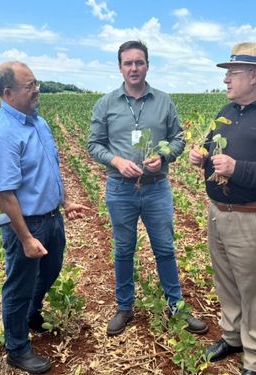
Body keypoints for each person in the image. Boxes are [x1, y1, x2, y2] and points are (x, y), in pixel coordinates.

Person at [189, 42, 256, 375]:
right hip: (217, 211)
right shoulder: (226, 113)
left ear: (255, 75)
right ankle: (233, 337)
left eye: (232, 74)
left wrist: (239, 169)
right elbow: (212, 149)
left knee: (252, 289)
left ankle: (254, 358)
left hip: (251, 215)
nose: (226, 81)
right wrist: (202, 157)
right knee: (225, 280)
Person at [87, 40, 208, 337]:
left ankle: (176, 305)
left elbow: (178, 138)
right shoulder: (106, 104)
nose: (133, 68)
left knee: (165, 248)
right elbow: (93, 144)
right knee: (124, 249)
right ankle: (125, 307)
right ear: (120, 67)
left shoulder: (164, 102)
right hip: (120, 187)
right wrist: (115, 160)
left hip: (156, 188)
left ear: (147, 65)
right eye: (128, 63)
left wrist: (164, 156)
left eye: (139, 62)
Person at [0, 61, 87, 374]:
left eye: (37, 83)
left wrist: (66, 203)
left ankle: (31, 313)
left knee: (51, 269)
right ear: (9, 92)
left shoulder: (37, 121)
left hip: (52, 217)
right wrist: (25, 237)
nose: (37, 89)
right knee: (19, 285)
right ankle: (17, 347)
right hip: (27, 224)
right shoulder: (2, 133)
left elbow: (50, 168)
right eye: (30, 86)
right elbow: (4, 194)